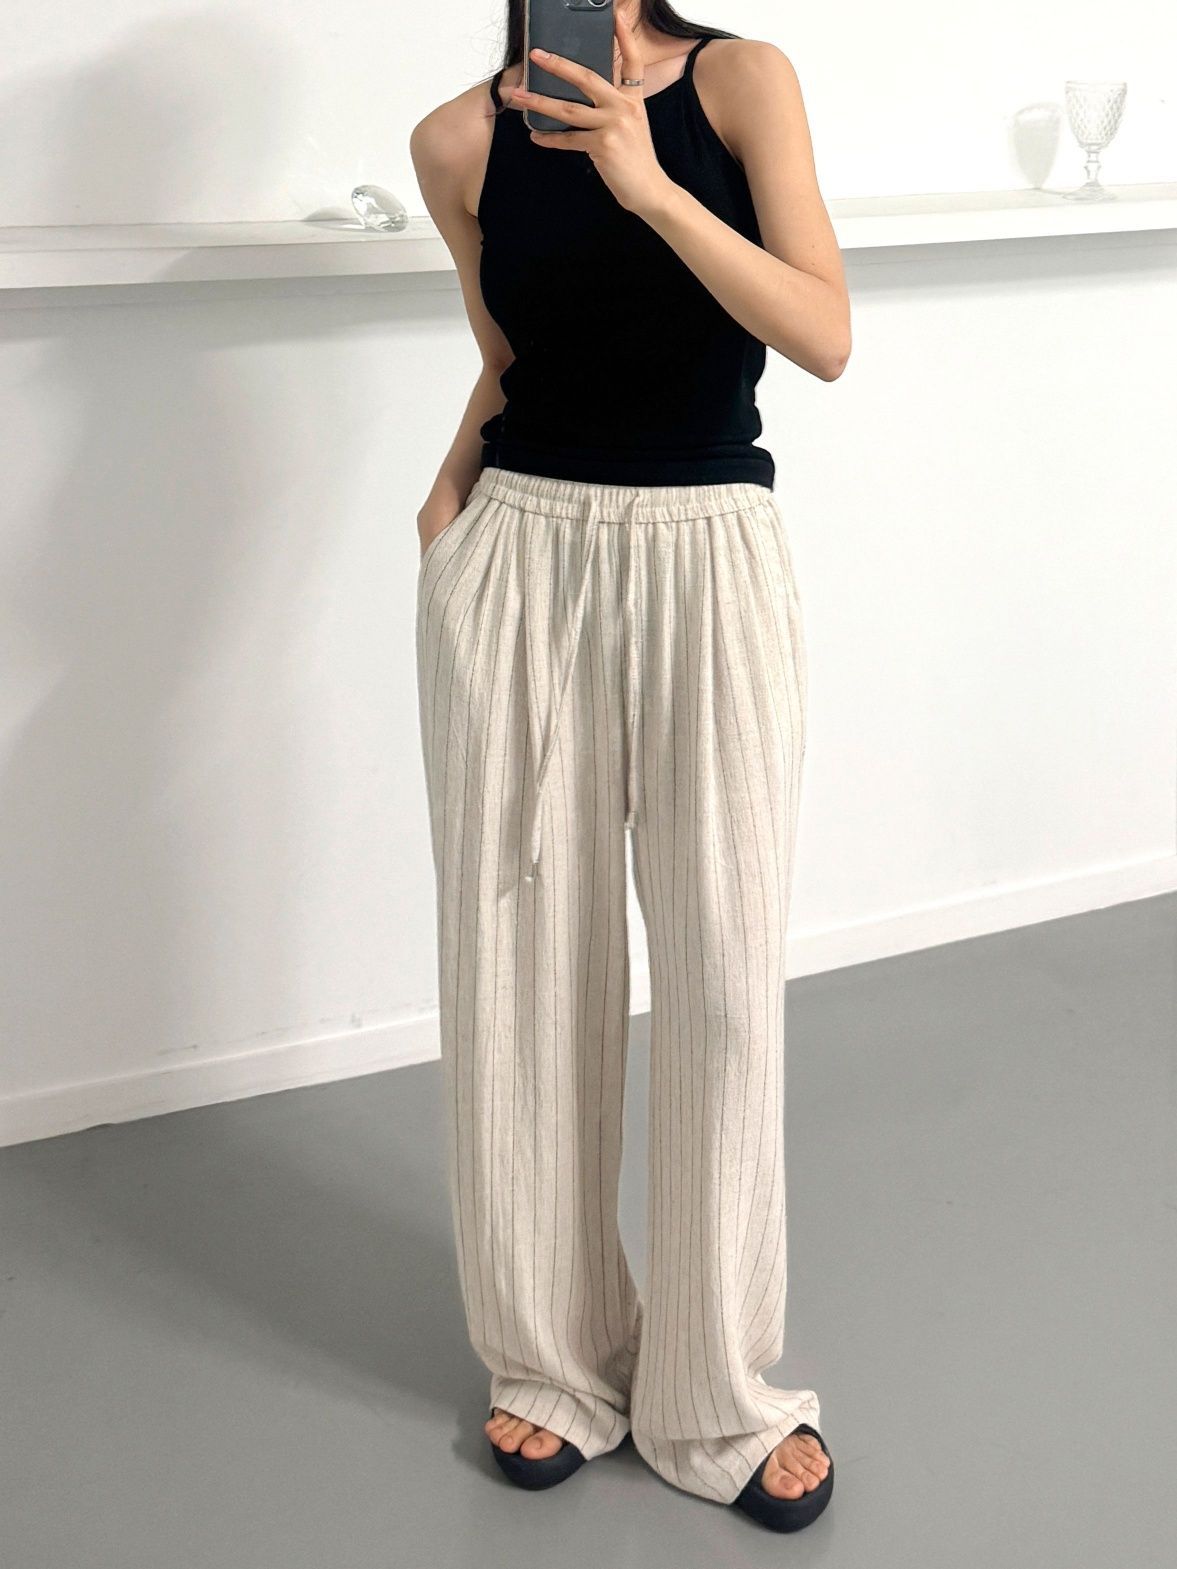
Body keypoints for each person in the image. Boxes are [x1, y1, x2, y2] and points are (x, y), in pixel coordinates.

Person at [409, 0, 849, 1532]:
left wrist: (643, 179)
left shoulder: (739, 83)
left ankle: (713, 1386)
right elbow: (510, 355)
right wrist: (446, 497)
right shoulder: (456, 141)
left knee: (722, 979)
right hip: (519, 554)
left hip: (705, 553)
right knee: (522, 971)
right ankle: (552, 1358)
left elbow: (821, 333)